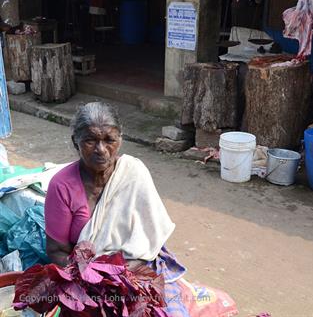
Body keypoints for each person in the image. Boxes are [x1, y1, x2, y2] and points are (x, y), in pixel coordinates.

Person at [45, 102, 237, 317]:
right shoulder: (62, 186)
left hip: (141, 269)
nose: (101, 150)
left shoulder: (134, 173)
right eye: (90, 141)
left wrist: (124, 275)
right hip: (87, 278)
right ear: (75, 142)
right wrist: (93, 277)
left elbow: (150, 238)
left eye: (109, 140)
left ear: (121, 139)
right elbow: (56, 250)